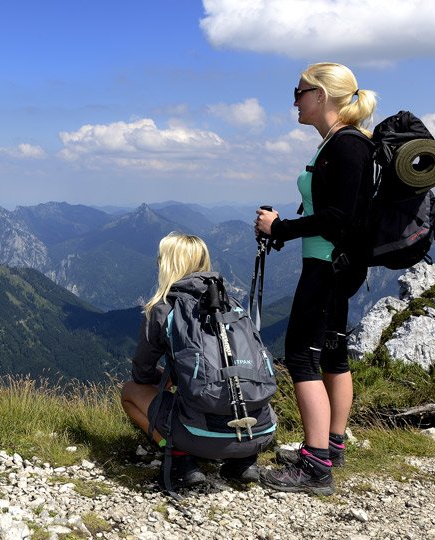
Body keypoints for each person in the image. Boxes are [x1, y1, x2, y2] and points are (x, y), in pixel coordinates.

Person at [254, 62, 377, 495]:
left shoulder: (345, 146)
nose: (295, 101)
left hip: (326, 266)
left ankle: (315, 464)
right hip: (339, 265)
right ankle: (332, 444)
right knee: (332, 353)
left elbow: (339, 216)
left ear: (321, 95)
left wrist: (280, 228)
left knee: (302, 356)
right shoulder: (347, 143)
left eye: (300, 91)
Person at [120, 232, 260, 488]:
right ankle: (243, 460)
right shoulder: (232, 304)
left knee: (129, 392)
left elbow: (141, 373)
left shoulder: (163, 308)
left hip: (201, 431)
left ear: (169, 264)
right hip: (257, 428)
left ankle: (178, 455)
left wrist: (168, 376)